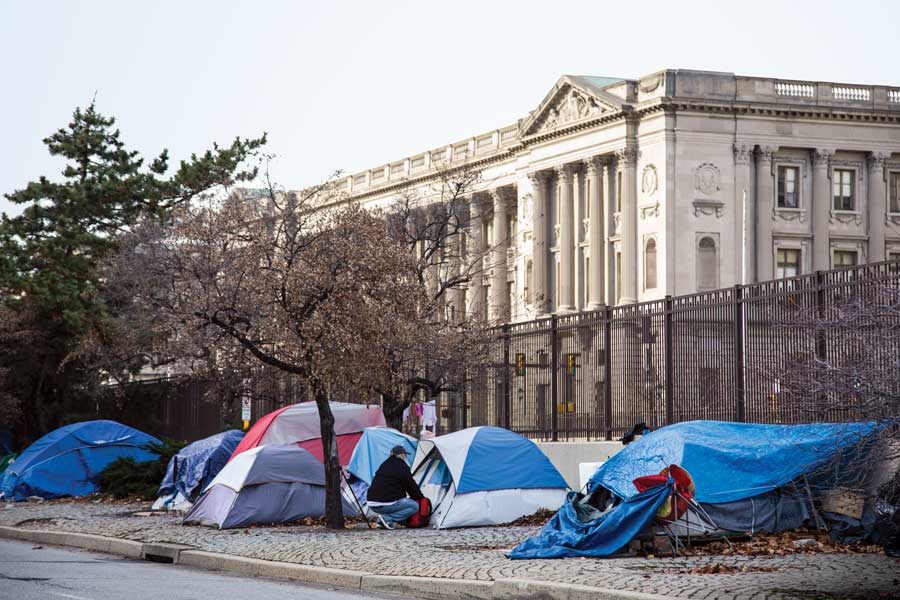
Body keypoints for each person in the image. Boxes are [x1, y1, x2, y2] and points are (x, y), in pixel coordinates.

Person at [366, 445, 424, 529]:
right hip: (385, 503)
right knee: (414, 506)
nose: (406, 457)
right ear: (402, 455)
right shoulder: (402, 466)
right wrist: (419, 497)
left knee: (402, 500)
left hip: (371, 503)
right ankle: (387, 519)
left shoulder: (384, 464)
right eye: (405, 455)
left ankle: (384, 521)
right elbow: (410, 485)